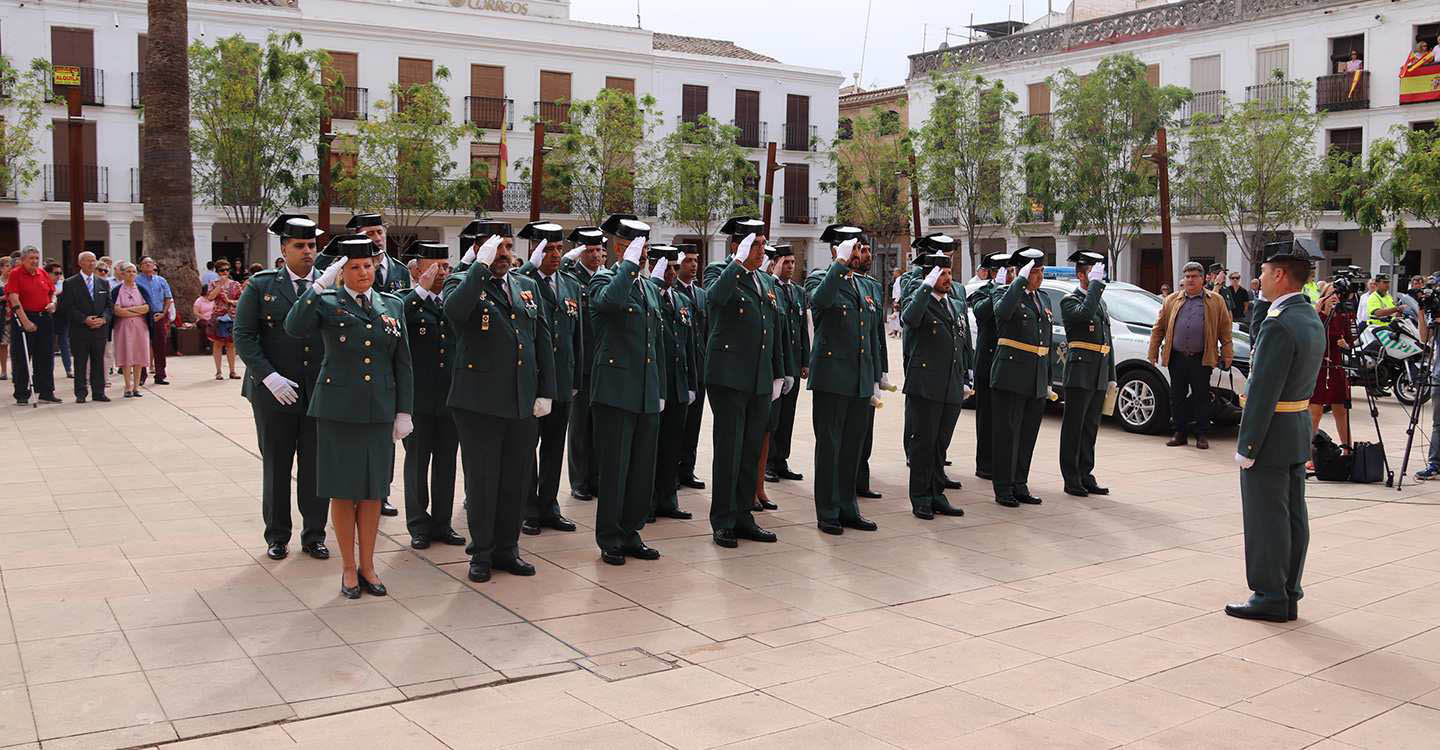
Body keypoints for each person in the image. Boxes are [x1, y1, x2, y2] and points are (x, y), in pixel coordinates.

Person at [285, 235, 414, 599]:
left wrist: (404, 409)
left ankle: (369, 566)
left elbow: (402, 362)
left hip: (379, 410)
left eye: (368, 266)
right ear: (343, 273)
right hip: (338, 411)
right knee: (343, 492)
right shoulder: (326, 301)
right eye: (354, 267)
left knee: (373, 491)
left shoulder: (392, 304)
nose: (363, 273)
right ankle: (347, 569)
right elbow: (294, 327)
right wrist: (316, 286)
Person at [444, 219, 553, 583]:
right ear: (479, 249)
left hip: (521, 401)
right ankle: (482, 553)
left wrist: (545, 390)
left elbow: (541, 339)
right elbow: (455, 312)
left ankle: (508, 549)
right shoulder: (462, 282)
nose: (506, 255)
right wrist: (478, 266)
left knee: (515, 481)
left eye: (508, 247)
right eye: (498, 248)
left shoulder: (524, 286)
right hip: (479, 404)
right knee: (483, 481)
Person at [1226, 239, 1325, 622]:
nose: (1259, 277)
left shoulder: (1280, 324)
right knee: (1293, 515)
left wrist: (1246, 445)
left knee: (1267, 517)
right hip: (1295, 427)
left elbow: (1263, 390)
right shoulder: (1307, 316)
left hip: (1269, 432)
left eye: (1265, 270)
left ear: (1280, 275)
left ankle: (1269, 593)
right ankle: (1288, 591)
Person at [235, 214, 329, 562]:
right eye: (299, 246)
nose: (308, 252)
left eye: (311, 246)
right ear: (283, 249)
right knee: (276, 464)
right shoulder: (261, 286)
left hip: (317, 392)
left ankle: (315, 534)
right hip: (273, 392)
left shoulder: (329, 285)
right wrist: (268, 377)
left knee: (316, 466)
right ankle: (277, 535)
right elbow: (244, 336)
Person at [586, 214, 667, 564]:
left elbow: (656, 341)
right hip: (615, 390)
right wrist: (628, 266)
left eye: (644, 247)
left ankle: (631, 532)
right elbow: (610, 303)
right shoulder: (605, 279)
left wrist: (660, 387)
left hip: (646, 390)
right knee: (616, 467)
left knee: (641, 469)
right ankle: (610, 537)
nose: (644, 252)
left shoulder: (649, 287)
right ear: (619, 248)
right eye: (638, 247)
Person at [704, 216, 784, 547]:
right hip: (728, 377)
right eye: (755, 245)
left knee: (751, 450)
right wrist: (736, 264)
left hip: (758, 379)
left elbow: (772, 328)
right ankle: (723, 520)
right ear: (737, 247)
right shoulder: (720, 272)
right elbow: (713, 299)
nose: (762, 251)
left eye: (764, 245)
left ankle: (743, 516)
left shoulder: (764, 280)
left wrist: (779, 371)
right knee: (729, 450)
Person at [805, 223, 880, 534]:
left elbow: (870, 335)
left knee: (852, 448)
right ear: (836, 250)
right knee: (830, 448)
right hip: (832, 378)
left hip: (859, 380)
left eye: (861, 248)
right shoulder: (820, 278)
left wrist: (875, 376)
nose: (859, 254)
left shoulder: (863, 286)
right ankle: (828, 511)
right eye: (853, 248)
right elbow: (818, 302)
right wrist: (838, 265)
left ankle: (849, 506)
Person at [399, 241, 465, 550]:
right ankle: (418, 525)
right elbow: (398, 321)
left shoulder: (453, 301)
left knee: (446, 463)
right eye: (433, 267)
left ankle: (442, 523)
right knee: (417, 463)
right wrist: (421, 292)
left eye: (446, 267)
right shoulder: (406, 301)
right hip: (418, 399)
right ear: (416, 271)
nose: (441, 272)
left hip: (450, 397)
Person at [515, 221, 580, 536]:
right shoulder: (522, 282)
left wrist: (576, 376)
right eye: (548, 248)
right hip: (534, 380)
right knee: (528, 446)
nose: (556, 254)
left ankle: (549, 506)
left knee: (555, 447)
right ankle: (528, 509)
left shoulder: (570, 285)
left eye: (558, 248)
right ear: (534, 250)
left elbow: (576, 336)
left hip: (563, 379)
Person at [899, 250, 970, 520]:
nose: (947, 278)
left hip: (951, 383)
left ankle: (937, 494)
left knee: (941, 445)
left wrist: (967, 372)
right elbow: (910, 319)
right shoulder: (920, 299)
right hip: (926, 383)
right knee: (924, 444)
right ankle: (920, 497)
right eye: (941, 273)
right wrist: (925, 286)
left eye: (949, 273)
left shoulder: (954, 303)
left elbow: (962, 340)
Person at [990, 247, 1052, 508]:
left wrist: (1046, 379)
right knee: (1007, 434)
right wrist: (1018, 282)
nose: (1038, 277)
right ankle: (1003, 487)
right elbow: (1002, 313)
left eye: (1040, 271)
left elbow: (1044, 340)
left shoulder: (1043, 298)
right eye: (1034, 271)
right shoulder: (1004, 293)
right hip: (1011, 374)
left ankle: (1020, 483)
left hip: (1035, 375)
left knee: (1028, 434)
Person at [1148, 261, 1234, 450]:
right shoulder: (1171, 300)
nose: (1190, 280)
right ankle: (1179, 432)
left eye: (1194, 276)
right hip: (1177, 357)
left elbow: (1225, 330)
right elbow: (1158, 328)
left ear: (1203, 279)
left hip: (1202, 357)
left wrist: (1228, 354)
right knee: (1176, 395)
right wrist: (1152, 352)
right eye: (1187, 276)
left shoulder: (1216, 301)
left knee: (1201, 396)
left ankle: (1202, 434)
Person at [645, 243, 698, 522]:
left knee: (672, 446)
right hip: (657, 384)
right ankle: (648, 502)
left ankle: (668, 498)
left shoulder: (682, 300)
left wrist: (691, 383)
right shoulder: (647, 295)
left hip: (677, 385)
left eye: (675, 268)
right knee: (650, 449)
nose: (672, 273)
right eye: (667, 267)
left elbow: (687, 345)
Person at [1059, 251, 1114, 497]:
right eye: (1090, 272)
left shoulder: (1099, 302)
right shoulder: (1069, 300)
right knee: (1074, 427)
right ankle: (1071, 478)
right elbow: (1082, 314)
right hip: (1080, 371)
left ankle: (1085, 473)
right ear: (1081, 275)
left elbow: (1107, 339)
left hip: (1098, 372)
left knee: (1091, 427)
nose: (1096, 277)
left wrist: (1111, 375)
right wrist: (1094, 286)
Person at [564, 226, 606, 501]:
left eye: (598, 251)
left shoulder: (607, 277)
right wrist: (569, 259)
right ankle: (579, 480)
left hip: (604, 362)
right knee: (580, 426)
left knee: (600, 426)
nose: (594, 256)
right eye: (589, 251)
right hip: (582, 362)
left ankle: (596, 478)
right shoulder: (571, 277)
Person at [766, 244, 808, 484]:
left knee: (788, 415)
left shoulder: (798, 292)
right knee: (774, 414)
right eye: (786, 262)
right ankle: (769, 462)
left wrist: (805, 361)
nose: (791, 267)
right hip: (776, 364)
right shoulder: (769, 287)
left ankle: (782, 459)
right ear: (775, 263)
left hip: (793, 362)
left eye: (793, 262)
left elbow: (803, 328)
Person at [853, 237, 890, 500]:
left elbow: (878, 333)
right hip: (847, 371)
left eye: (868, 251)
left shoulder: (874, 287)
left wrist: (882, 370)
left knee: (866, 432)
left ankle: (861, 481)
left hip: (869, 369)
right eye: (861, 250)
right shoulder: (825, 278)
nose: (867, 255)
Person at [5, 247, 60, 404]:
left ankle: (46, 391)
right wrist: (25, 321)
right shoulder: (16, 274)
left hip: (44, 317)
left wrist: (53, 303)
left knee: (46, 356)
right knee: (22, 357)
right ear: (23, 260)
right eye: (31, 258)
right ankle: (22, 393)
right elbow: (14, 299)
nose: (35, 261)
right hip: (25, 317)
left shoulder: (42, 273)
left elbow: (52, 292)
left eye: (36, 258)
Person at [675, 246, 710, 490]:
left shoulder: (701, 294)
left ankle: (688, 469)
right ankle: (672, 472)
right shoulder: (670, 291)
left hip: (699, 367)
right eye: (688, 261)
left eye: (696, 260)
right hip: (680, 367)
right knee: (677, 423)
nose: (693, 265)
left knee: (694, 423)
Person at [1309, 282, 1356, 459]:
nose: (1335, 297)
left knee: (1341, 410)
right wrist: (1317, 311)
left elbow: (1351, 342)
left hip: (1336, 368)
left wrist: (1346, 345)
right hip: (1319, 369)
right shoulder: (1316, 316)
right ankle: (1308, 455)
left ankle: (1347, 450)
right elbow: (1310, 336)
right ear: (1324, 297)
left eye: (1337, 294)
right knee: (1315, 412)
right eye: (1331, 293)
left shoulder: (1342, 317)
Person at [59, 251, 112, 403]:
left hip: (99, 329)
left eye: (94, 261)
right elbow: (67, 307)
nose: (92, 264)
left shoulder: (103, 282)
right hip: (80, 330)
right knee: (80, 361)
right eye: (88, 261)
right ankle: (81, 393)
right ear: (80, 263)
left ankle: (99, 392)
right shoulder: (70, 283)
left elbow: (109, 306)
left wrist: (103, 319)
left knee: (98, 361)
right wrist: (84, 319)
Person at [342, 213, 412, 295]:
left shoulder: (401, 270)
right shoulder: (351, 268)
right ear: (359, 238)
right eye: (370, 234)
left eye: (380, 232)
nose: (378, 238)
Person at [110, 261, 151, 399]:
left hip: (140, 326)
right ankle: (127, 386)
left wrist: (128, 310)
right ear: (122, 273)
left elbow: (146, 308)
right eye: (128, 271)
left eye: (133, 271)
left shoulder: (141, 288)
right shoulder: (117, 290)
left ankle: (136, 387)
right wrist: (136, 310)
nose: (131, 274)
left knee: (139, 355)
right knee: (126, 354)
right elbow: (117, 311)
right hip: (123, 327)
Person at [135, 257, 173, 386]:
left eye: (150, 263)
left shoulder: (161, 280)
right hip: (142, 316)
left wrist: (163, 313)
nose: (147, 265)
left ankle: (160, 375)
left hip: (158, 315)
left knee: (160, 346)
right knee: (141, 346)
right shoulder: (135, 280)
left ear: (154, 265)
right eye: (145, 263)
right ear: (140, 266)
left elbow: (168, 298)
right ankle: (141, 375)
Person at [206, 260, 243, 380]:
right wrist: (219, 286)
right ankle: (218, 371)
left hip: (232, 316)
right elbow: (210, 297)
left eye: (227, 269)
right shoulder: (213, 283)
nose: (225, 272)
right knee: (218, 344)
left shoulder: (235, 284)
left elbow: (242, 299)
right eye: (222, 270)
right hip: (218, 317)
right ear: (217, 271)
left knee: (231, 345)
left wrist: (232, 302)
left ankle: (232, 371)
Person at [46, 262, 72, 379]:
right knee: (49, 346)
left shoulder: (64, 285)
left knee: (64, 344)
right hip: (49, 318)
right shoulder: (44, 285)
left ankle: (68, 369)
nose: (58, 276)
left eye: (60, 273)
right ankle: (48, 371)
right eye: (56, 273)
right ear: (48, 274)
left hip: (62, 317)